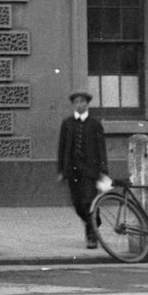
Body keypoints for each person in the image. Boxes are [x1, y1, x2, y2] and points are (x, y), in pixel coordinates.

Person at [56, 86, 110, 250]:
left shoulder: (95, 123)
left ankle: (91, 236)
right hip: (72, 170)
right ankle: (95, 221)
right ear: (73, 105)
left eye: (83, 102)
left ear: (88, 104)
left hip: (90, 170)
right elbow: (62, 147)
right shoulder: (67, 123)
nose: (80, 105)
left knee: (88, 201)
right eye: (77, 102)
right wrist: (61, 170)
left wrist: (103, 170)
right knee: (78, 204)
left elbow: (101, 147)